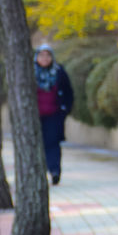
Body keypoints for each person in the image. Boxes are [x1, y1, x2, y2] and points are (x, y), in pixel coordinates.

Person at [34, 44, 73, 185]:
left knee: (52, 143)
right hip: (35, 117)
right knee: (38, 144)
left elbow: (68, 92)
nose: (44, 58)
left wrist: (65, 110)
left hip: (54, 115)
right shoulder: (30, 73)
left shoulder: (59, 72)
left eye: (47, 55)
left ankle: (54, 171)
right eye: (41, 55)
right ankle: (38, 172)